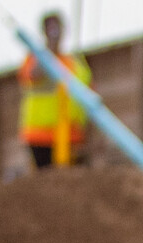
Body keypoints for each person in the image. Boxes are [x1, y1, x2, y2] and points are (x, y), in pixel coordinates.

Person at [18, 13, 92, 170]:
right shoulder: (34, 60)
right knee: (47, 182)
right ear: (43, 32)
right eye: (50, 28)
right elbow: (33, 75)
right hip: (41, 135)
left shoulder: (75, 63)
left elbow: (88, 98)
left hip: (70, 134)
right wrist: (49, 49)